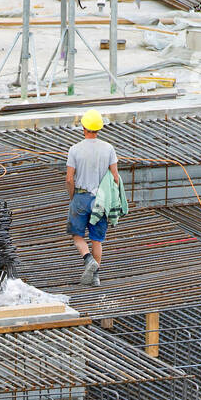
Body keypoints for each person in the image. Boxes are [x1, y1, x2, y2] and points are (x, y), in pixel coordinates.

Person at [65, 109, 120, 287]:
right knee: (97, 239)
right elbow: (115, 177)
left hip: (81, 196)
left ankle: (88, 259)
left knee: (77, 235)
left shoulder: (75, 150)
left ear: (84, 128)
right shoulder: (109, 148)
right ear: (99, 128)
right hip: (101, 201)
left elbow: (69, 178)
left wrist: (72, 197)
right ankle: (95, 277)